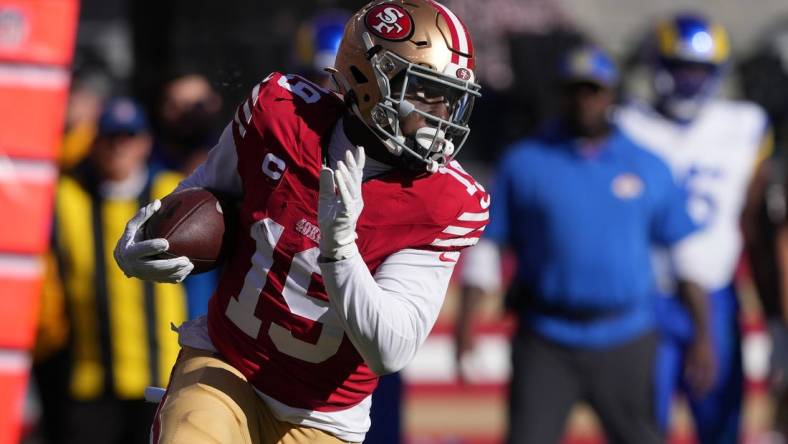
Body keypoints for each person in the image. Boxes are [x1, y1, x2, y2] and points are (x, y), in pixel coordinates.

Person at [113, 1, 487, 443]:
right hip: (226, 361)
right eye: (423, 91)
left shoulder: (445, 200)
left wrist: (340, 249)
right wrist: (144, 241)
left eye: (450, 97)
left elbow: (390, 349)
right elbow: (202, 193)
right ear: (368, 78)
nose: (441, 112)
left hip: (324, 416)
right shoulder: (280, 112)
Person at [456, 45, 698, 444]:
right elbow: (488, 248)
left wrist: (702, 333)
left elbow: (685, 256)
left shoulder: (648, 164)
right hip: (547, 337)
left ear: (611, 95)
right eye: (575, 90)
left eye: (594, 90)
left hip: (627, 336)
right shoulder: (525, 162)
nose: (584, 100)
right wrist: (467, 328)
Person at [617, 13, 772, 444]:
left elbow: (756, 215)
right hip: (647, 294)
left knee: (721, 423)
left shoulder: (745, 125)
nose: (689, 81)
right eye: (679, 67)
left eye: (699, 70)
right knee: (644, 426)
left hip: (716, 292)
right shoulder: (627, 122)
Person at [33, 98, 188, 444]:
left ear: (146, 142)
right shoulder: (67, 195)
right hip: (90, 378)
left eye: (129, 135)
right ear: (93, 141)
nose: (120, 145)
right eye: (110, 136)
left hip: (161, 376)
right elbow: (31, 169)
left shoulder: (174, 192)